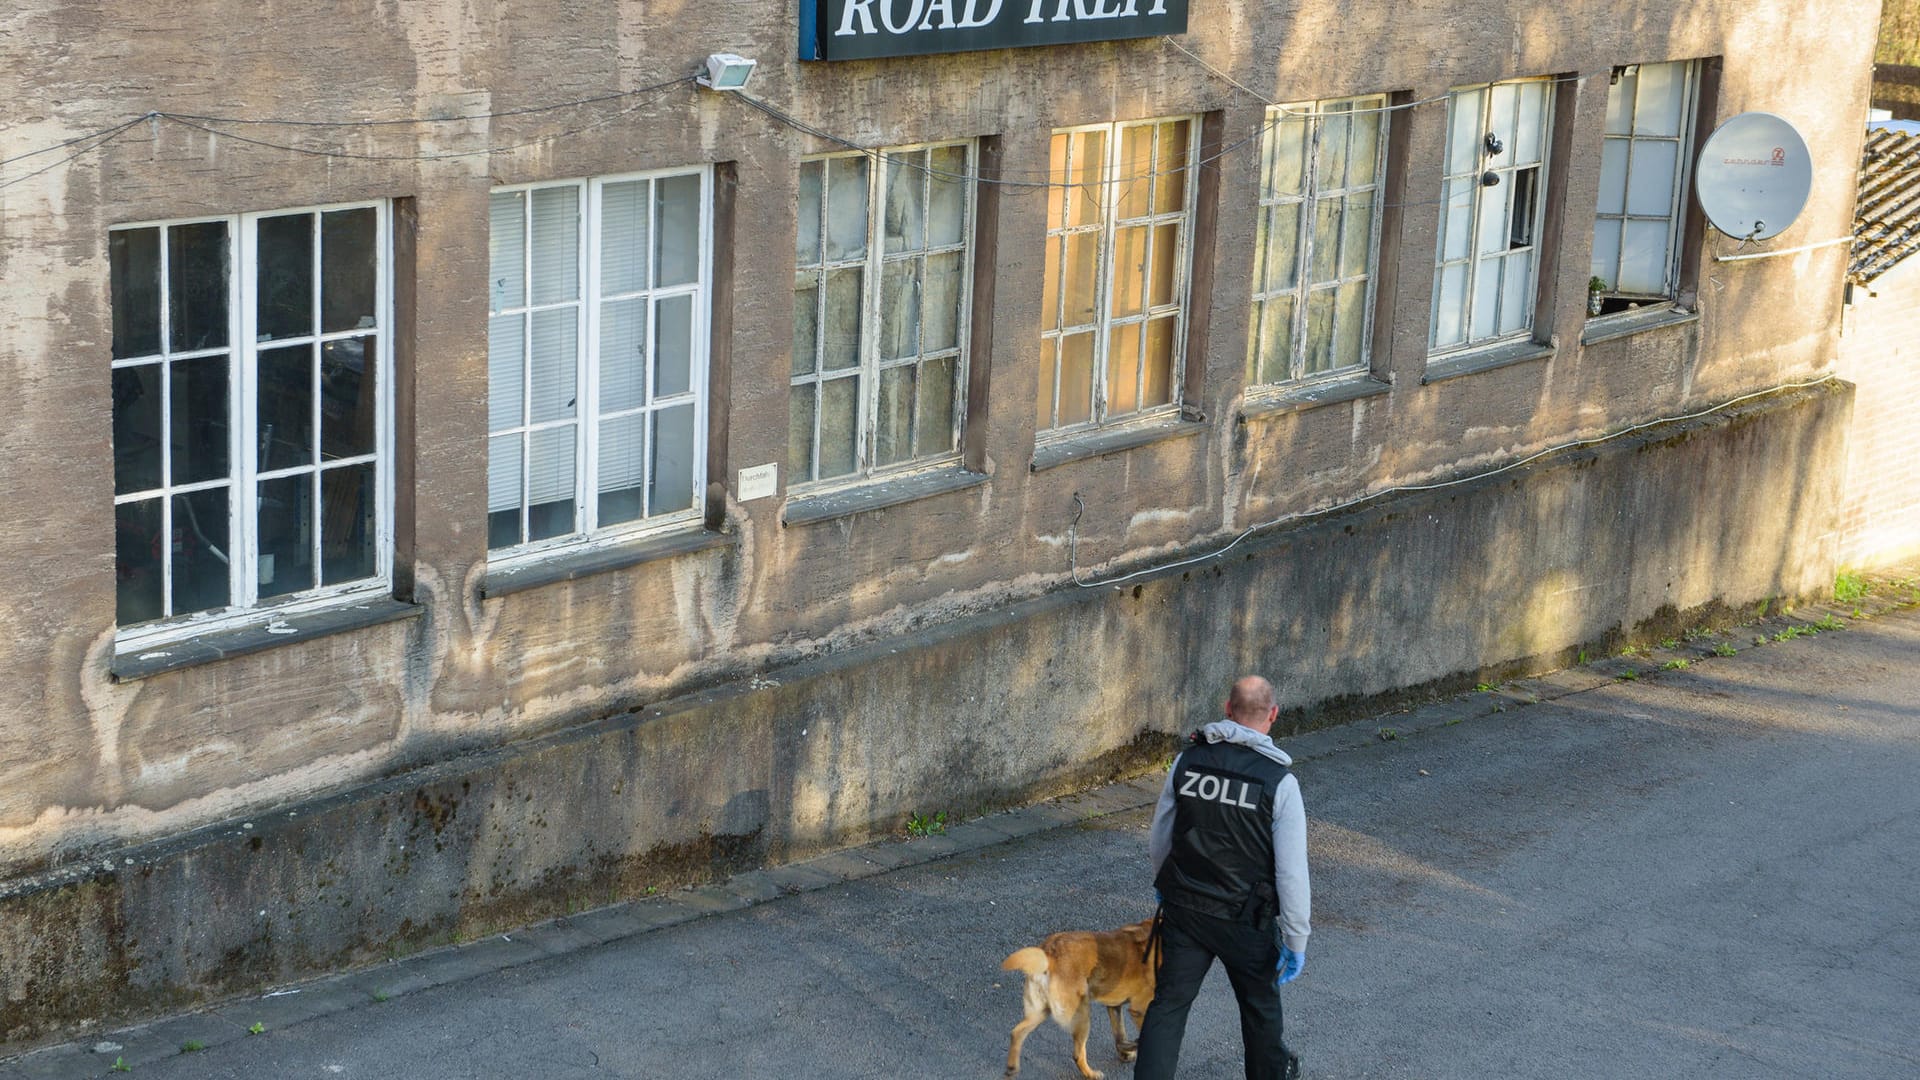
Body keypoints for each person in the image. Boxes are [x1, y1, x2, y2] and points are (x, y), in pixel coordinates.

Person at [1134, 675, 1310, 1080]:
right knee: (1260, 1011)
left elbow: (1161, 833)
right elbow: (1291, 870)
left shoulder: (1188, 762)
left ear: (1227, 710)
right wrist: (1296, 937)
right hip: (1246, 920)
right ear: (1273, 715)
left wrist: (1166, 888)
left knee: (1168, 1007)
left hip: (1186, 910)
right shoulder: (1279, 781)